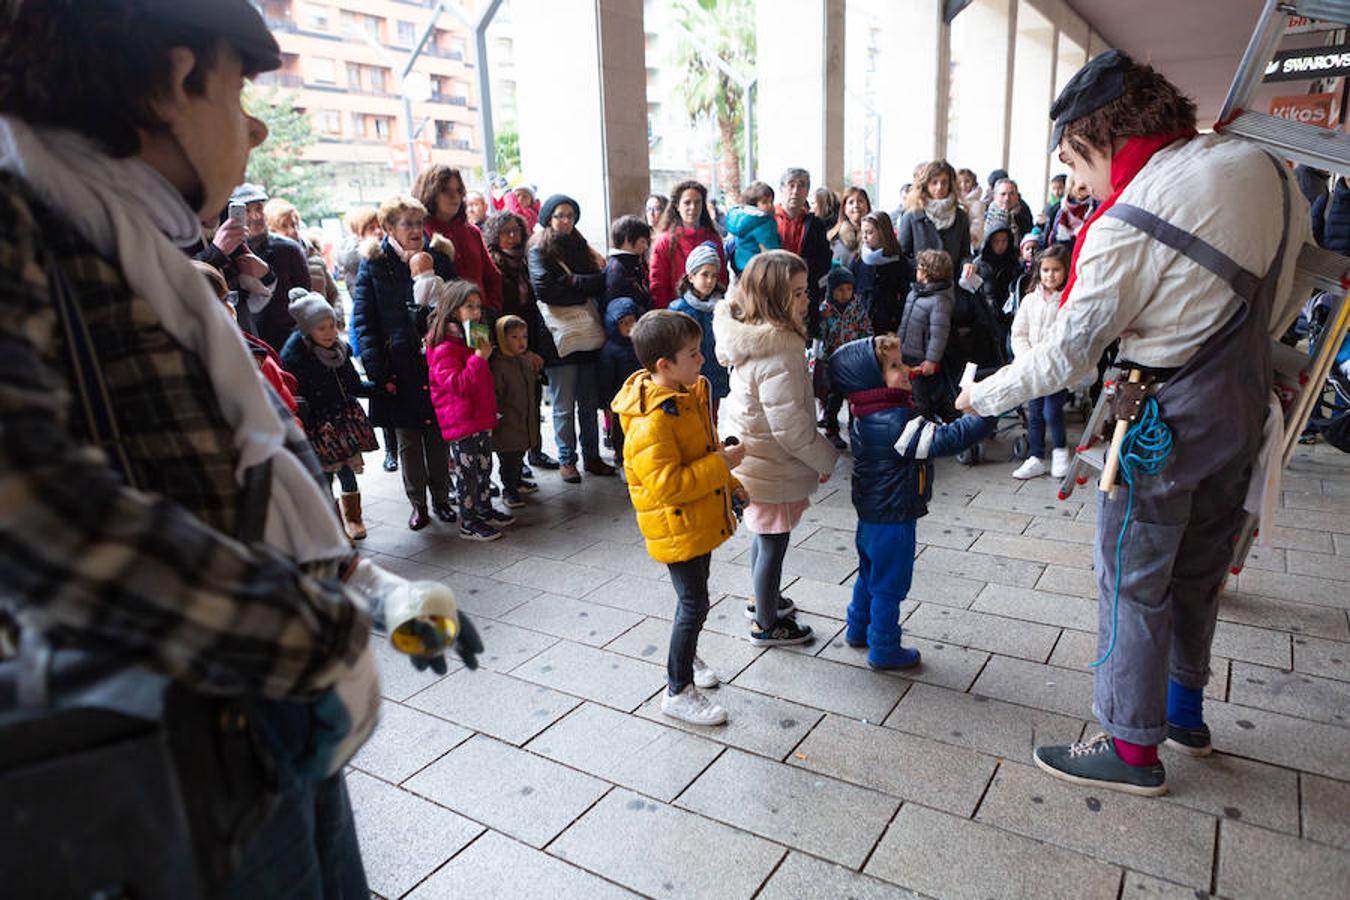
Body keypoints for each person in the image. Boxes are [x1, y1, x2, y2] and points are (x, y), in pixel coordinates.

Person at [0, 3, 477, 893]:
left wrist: (370, 591)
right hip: (168, 753)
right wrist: (311, 634)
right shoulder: (27, 218)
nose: (255, 125)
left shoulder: (135, 239)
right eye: (240, 88)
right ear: (178, 80)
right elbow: (29, 511)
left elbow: (234, 479)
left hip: (267, 719)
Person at [956, 50, 1309, 797]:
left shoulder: (1133, 216)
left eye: (1074, 162)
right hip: (1242, 409)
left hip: (1161, 420)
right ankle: (1184, 714)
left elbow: (1068, 357)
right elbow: (1288, 291)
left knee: (1133, 581)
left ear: (1101, 138)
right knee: (1201, 571)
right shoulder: (1262, 166)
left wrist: (981, 397)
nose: (1078, 183)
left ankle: (1131, 749)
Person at [612, 309, 747, 726]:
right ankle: (677, 689)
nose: (702, 359)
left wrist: (732, 487)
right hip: (675, 523)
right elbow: (668, 486)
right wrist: (723, 464)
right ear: (663, 366)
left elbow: (701, 449)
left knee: (695, 601)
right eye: (693, 354)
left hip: (695, 516)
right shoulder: (651, 422)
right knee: (694, 603)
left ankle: (686, 654)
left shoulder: (690, 392)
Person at [828, 335, 994, 668]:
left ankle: (858, 627)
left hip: (872, 514)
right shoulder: (894, 422)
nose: (905, 370)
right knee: (890, 584)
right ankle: (884, 648)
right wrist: (983, 415)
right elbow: (945, 439)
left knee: (869, 572)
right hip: (894, 515)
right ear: (871, 381)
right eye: (893, 366)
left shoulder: (868, 414)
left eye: (901, 362)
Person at [714, 251, 839, 646]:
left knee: (763, 536)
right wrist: (824, 458)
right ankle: (767, 624)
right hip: (773, 463)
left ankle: (760, 599)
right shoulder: (780, 348)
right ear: (774, 298)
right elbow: (790, 426)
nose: (808, 301)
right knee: (773, 541)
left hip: (754, 458)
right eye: (799, 294)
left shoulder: (745, 331)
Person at [353, 194, 458, 530]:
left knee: (439, 435)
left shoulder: (439, 257)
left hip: (438, 359)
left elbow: (458, 302)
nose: (416, 230)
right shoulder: (375, 263)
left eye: (418, 223)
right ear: (388, 228)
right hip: (398, 364)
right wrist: (377, 370)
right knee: (409, 440)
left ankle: (443, 498)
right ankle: (418, 504)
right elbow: (364, 321)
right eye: (407, 224)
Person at [527, 193, 616, 482]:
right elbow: (546, 291)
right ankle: (567, 460)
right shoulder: (539, 250)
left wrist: (574, 282)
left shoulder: (582, 246)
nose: (566, 220)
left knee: (589, 402)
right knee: (564, 405)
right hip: (557, 340)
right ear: (548, 219)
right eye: (560, 215)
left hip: (587, 336)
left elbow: (601, 281)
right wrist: (582, 286)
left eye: (570, 215)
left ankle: (592, 458)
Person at [280, 289, 378, 540]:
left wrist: (379, 389)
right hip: (318, 426)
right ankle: (335, 526)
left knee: (347, 471)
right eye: (321, 328)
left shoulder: (340, 350)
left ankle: (354, 519)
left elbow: (353, 383)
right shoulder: (296, 357)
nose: (330, 333)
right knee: (325, 476)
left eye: (332, 325)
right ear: (307, 331)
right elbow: (295, 394)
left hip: (343, 421)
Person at [426, 281, 514, 541]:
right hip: (461, 421)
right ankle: (468, 520)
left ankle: (484, 509)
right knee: (467, 474)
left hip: (480, 417)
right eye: (469, 307)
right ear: (454, 310)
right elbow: (458, 385)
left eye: (478, 307)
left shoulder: (470, 338)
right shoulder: (443, 348)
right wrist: (478, 358)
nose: (476, 312)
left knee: (484, 467)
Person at [484, 209, 558, 472]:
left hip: (529, 334)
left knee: (532, 399)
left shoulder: (528, 260)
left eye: (516, 231)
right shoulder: (493, 262)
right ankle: (514, 459)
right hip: (505, 341)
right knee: (511, 404)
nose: (513, 237)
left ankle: (534, 451)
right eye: (506, 232)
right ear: (495, 235)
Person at [1008, 245, 1072, 480]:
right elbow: (1019, 332)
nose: (1050, 275)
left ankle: (1060, 451)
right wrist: (1026, 357)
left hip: (1056, 368)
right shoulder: (1029, 300)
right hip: (1033, 367)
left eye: (1056, 270)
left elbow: (1070, 335)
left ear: (1065, 271)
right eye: (1045, 269)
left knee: (1052, 410)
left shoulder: (1068, 301)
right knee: (1034, 413)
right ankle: (1035, 457)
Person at [230, 182, 312, 351]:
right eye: (247, 210)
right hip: (247, 341)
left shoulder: (289, 249)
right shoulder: (227, 251)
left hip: (289, 340)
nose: (256, 216)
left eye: (259, 208)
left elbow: (305, 296)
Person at [417, 164, 503, 315]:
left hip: (480, 319)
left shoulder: (472, 232)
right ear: (429, 193)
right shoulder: (419, 233)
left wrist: (492, 309)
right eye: (446, 191)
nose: (454, 196)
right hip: (444, 322)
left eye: (458, 190)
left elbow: (492, 276)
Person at [669, 242, 730, 414]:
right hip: (687, 377)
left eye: (714, 275)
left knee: (711, 419)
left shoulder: (723, 306)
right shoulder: (678, 309)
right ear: (691, 276)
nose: (710, 281)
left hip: (715, 376)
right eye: (704, 275)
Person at [489, 314, 542, 508]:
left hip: (523, 418)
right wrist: (498, 417)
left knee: (518, 455)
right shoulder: (498, 365)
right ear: (503, 338)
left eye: (524, 337)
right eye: (515, 337)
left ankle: (517, 482)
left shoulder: (522, 360)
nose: (521, 342)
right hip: (507, 423)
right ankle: (509, 489)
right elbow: (495, 395)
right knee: (509, 460)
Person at [898, 249, 956, 421]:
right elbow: (905, 322)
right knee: (913, 396)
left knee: (921, 399)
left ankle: (927, 429)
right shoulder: (915, 293)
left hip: (922, 359)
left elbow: (939, 333)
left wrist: (932, 359)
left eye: (919, 267)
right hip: (908, 352)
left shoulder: (939, 300)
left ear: (927, 273)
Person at [816, 265, 871, 450]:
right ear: (832, 291)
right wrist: (822, 320)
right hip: (832, 361)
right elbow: (819, 334)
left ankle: (855, 431)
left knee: (855, 397)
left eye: (848, 289)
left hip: (854, 361)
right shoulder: (825, 309)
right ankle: (832, 430)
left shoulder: (857, 306)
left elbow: (866, 329)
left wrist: (865, 349)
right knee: (834, 397)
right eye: (840, 290)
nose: (845, 293)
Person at [774, 168, 833, 336]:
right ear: (782, 189)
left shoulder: (815, 224)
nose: (795, 191)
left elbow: (825, 261)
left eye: (801, 186)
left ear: (807, 191)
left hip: (805, 296)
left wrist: (802, 270)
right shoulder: (767, 220)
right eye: (791, 185)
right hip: (773, 293)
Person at [650, 180, 727, 308]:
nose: (693, 207)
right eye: (687, 203)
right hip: (676, 314)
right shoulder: (664, 241)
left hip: (710, 309)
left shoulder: (713, 238)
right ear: (677, 206)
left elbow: (722, 277)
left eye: (698, 202)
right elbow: (658, 285)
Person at [896, 160, 972, 279]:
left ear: (950, 185)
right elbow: (902, 255)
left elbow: (965, 254)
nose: (939, 187)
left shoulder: (960, 216)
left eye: (944, 182)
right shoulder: (911, 215)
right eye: (934, 183)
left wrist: (967, 264)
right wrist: (923, 269)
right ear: (926, 185)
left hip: (951, 287)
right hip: (921, 287)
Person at [597, 297, 644, 472]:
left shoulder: (640, 343)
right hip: (620, 400)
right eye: (623, 323)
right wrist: (607, 402)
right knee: (620, 430)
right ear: (614, 325)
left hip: (640, 397)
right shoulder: (610, 350)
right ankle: (620, 455)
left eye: (631, 321)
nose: (628, 326)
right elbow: (606, 378)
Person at [850, 210, 913, 337]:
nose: (865, 237)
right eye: (863, 233)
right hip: (859, 321)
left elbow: (906, 293)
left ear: (883, 233)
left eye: (870, 232)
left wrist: (897, 320)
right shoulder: (858, 258)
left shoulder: (898, 261)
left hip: (887, 322)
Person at [725, 180, 781, 273]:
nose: (770, 205)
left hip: (739, 263)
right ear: (754, 203)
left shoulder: (739, 217)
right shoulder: (764, 222)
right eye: (765, 202)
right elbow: (771, 248)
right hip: (758, 267)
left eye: (771, 201)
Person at [605, 214, 653, 310]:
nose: (646, 247)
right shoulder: (617, 268)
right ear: (627, 239)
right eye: (642, 242)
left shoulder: (632, 262)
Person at [1048, 175, 1096, 253]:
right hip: (1062, 247)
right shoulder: (1062, 207)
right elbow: (1053, 230)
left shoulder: (1094, 205)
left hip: (1084, 248)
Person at [984, 178, 1035, 246]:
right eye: (1003, 194)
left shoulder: (1024, 217)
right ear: (995, 196)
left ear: (1017, 196)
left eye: (1011, 194)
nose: (1007, 198)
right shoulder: (984, 218)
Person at [829, 185, 871, 267]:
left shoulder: (878, 235)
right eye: (851, 202)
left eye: (860, 201)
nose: (856, 205)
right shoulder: (833, 236)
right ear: (844, 208)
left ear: (868, 206)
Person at [956, 167, 986, 247]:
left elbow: (978, 222)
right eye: (959, 182)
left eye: (967, 181)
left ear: (973, 183)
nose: (963, 185)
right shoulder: (954, 200)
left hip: (968, 239)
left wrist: (971, 236)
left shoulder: (977, 203)